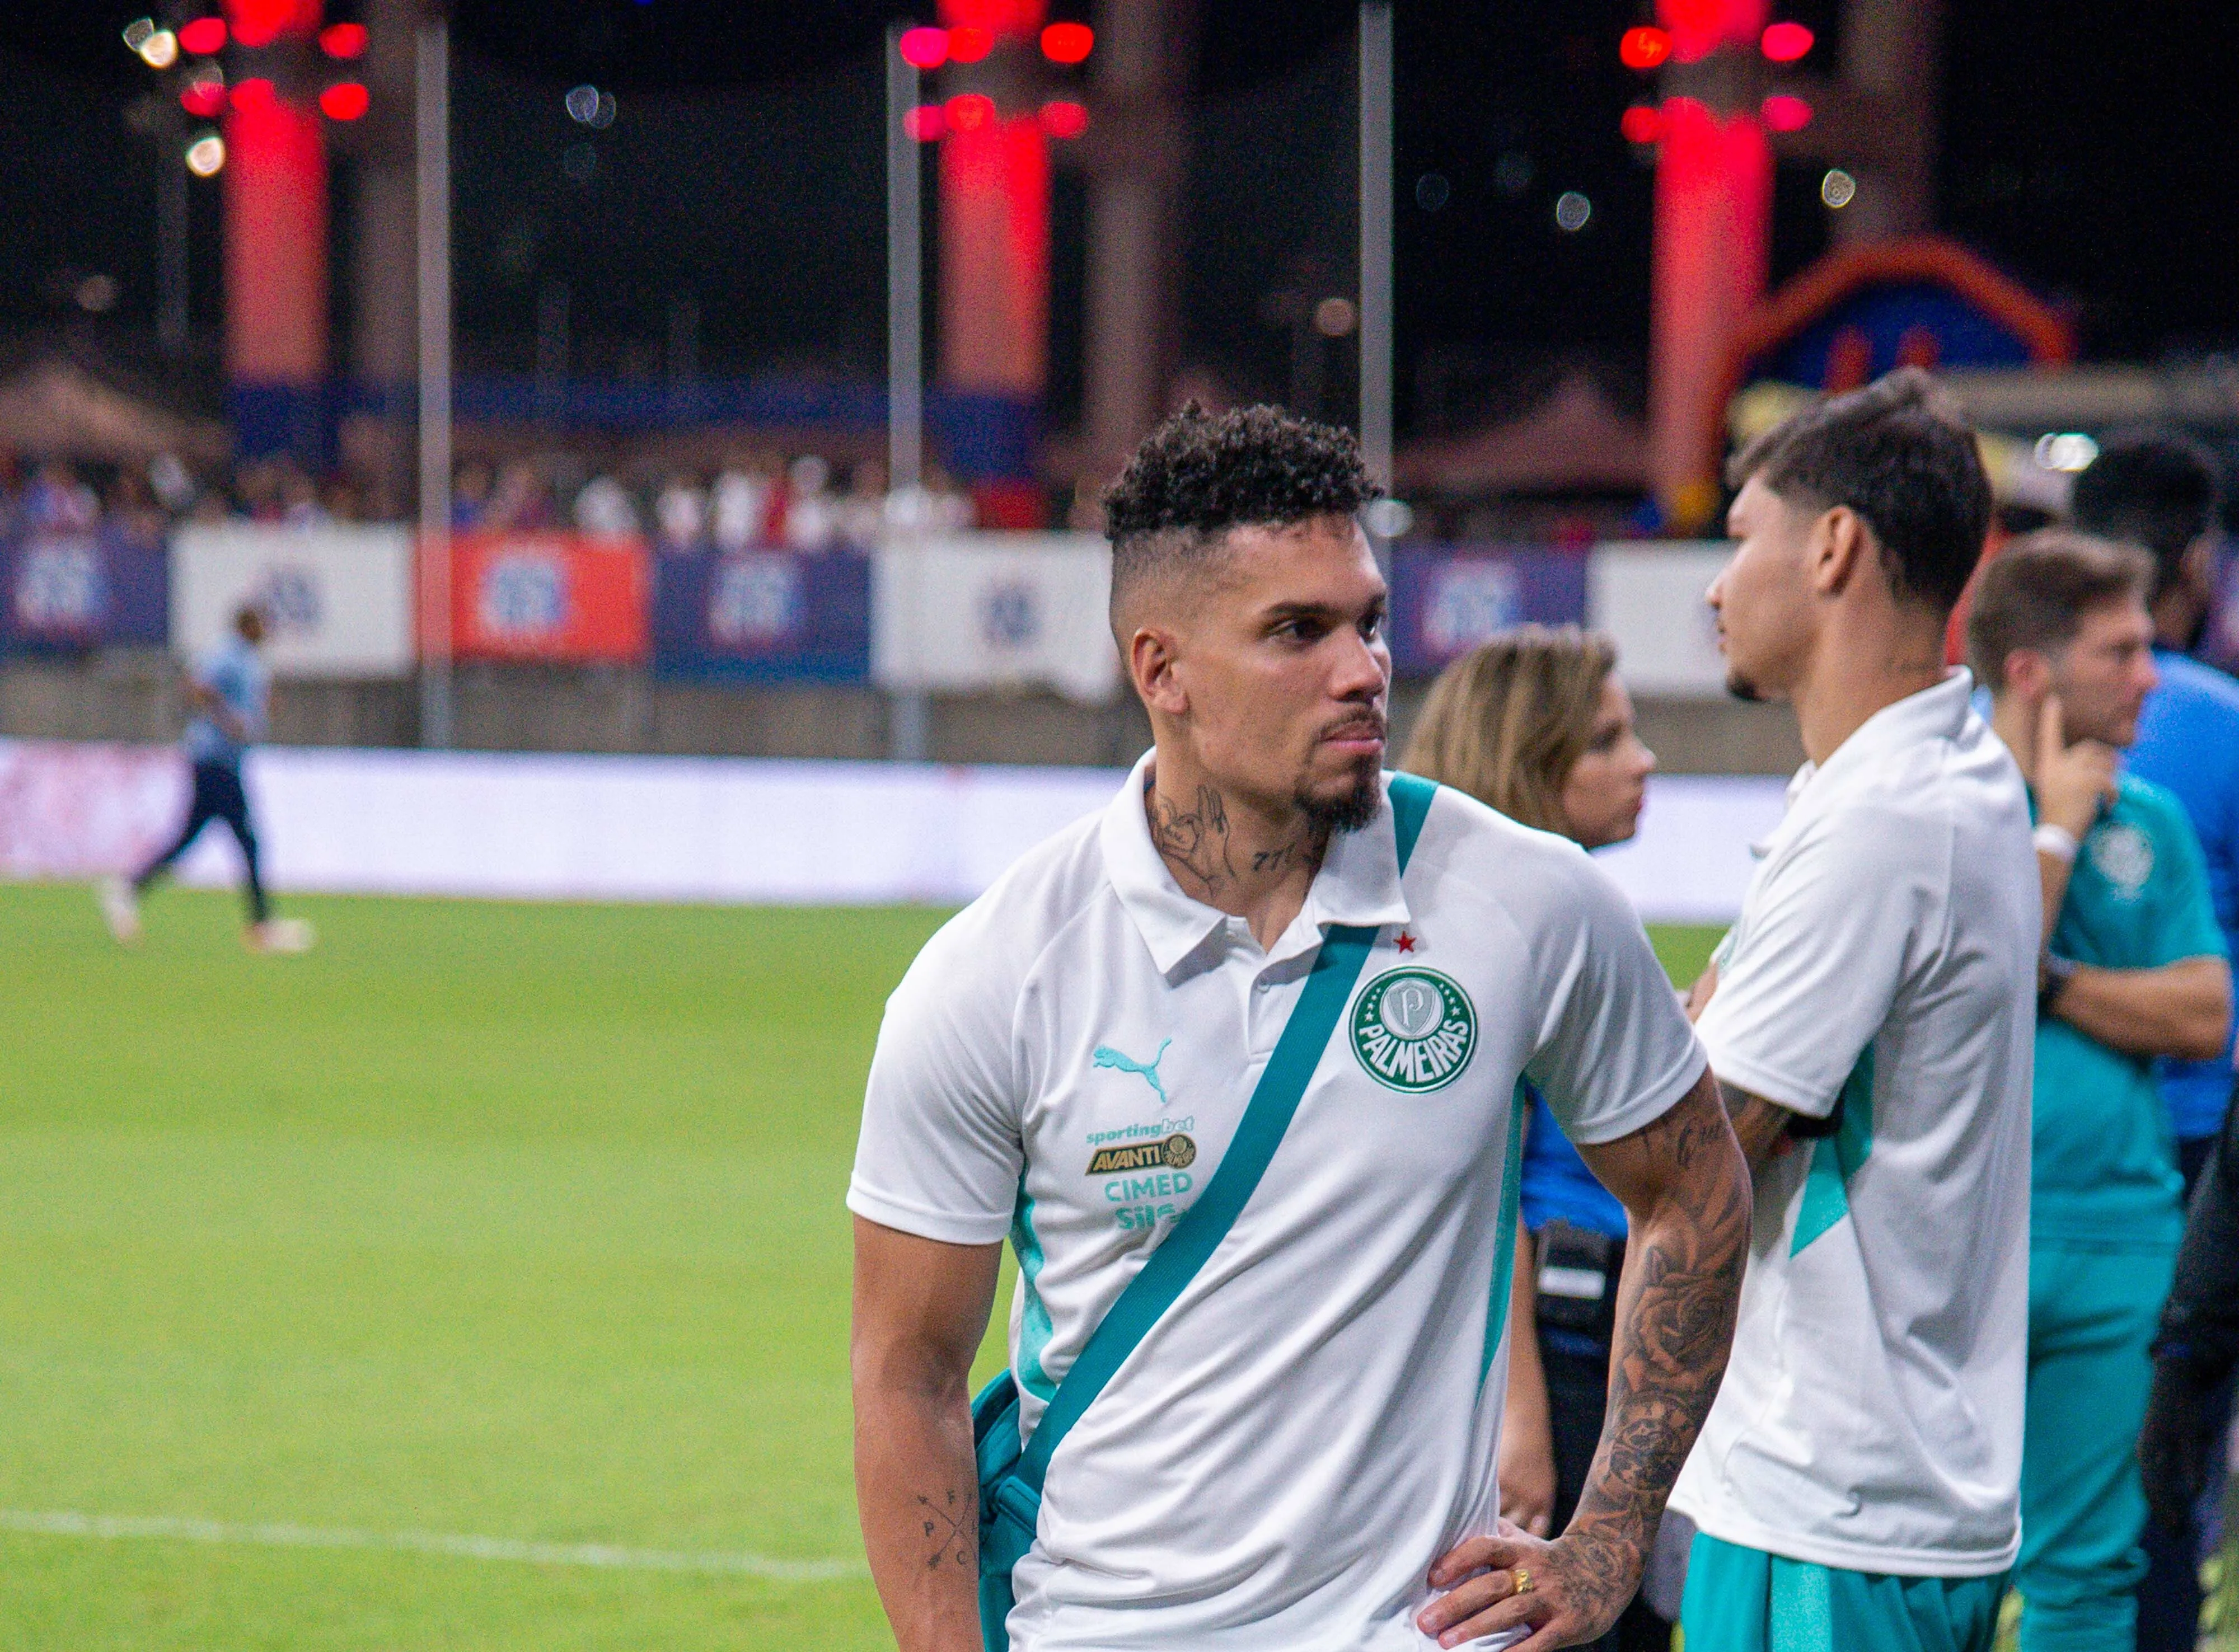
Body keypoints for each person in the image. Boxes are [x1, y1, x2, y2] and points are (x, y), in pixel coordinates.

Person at [849, 405, 1751, 1652]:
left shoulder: (1523, 901)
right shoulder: (995, 976)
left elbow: (1695, 1195)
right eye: (1296, 632)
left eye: (1368, 622)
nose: (1362, 669)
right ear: (1159, 668)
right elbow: (908, 1374)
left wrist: (1608, 1537)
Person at [1666, 367, 2041, 1652]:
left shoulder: (1884, 817)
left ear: (1831, 546)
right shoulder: (1934, 772)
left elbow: (1685, 1152)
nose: (1716, 586)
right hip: (1867, 1476)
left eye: (1736, 539)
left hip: (1827, 1501)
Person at [1968, 531, 2232, 1652]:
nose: (2146, 675)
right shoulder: (1942, 805)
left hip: (2119, 1234)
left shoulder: (2152, 819)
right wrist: (2055, 830)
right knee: (1934, 1568)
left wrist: (2055, 978)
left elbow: (2202, 1014)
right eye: (2119, 651)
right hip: (1964, 1236)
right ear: (2030, 668)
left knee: (2089, 1577)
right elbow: (1983, 979)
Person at [1399, 625, 1669, 1652]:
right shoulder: (1486, 943)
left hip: (1601, 1337)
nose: (1641, 760)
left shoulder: (1569, 921)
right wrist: (1519, 1421)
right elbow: (1483, 1187)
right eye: (1606, 741)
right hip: (1553, 1348)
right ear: (1531, 762)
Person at [2070, 434, 2239, 1651]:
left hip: (2027, 1159)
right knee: (2163, 1471)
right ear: (2194, 560)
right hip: (2191, 1159)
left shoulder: (1984, 724)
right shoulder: (2224, 724)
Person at [100, 604, 313, 953]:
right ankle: (261, 926)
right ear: (248, 625)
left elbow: (243, 700)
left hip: (226, 760)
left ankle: (129, 890)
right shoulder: (229, 655)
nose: (268, 629)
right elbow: (196, 688)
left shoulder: (249, 660)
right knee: (247, 840)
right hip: (215, 759)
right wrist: (228, 720)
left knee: (192, 838)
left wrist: (261, 710)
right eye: (263, 622)